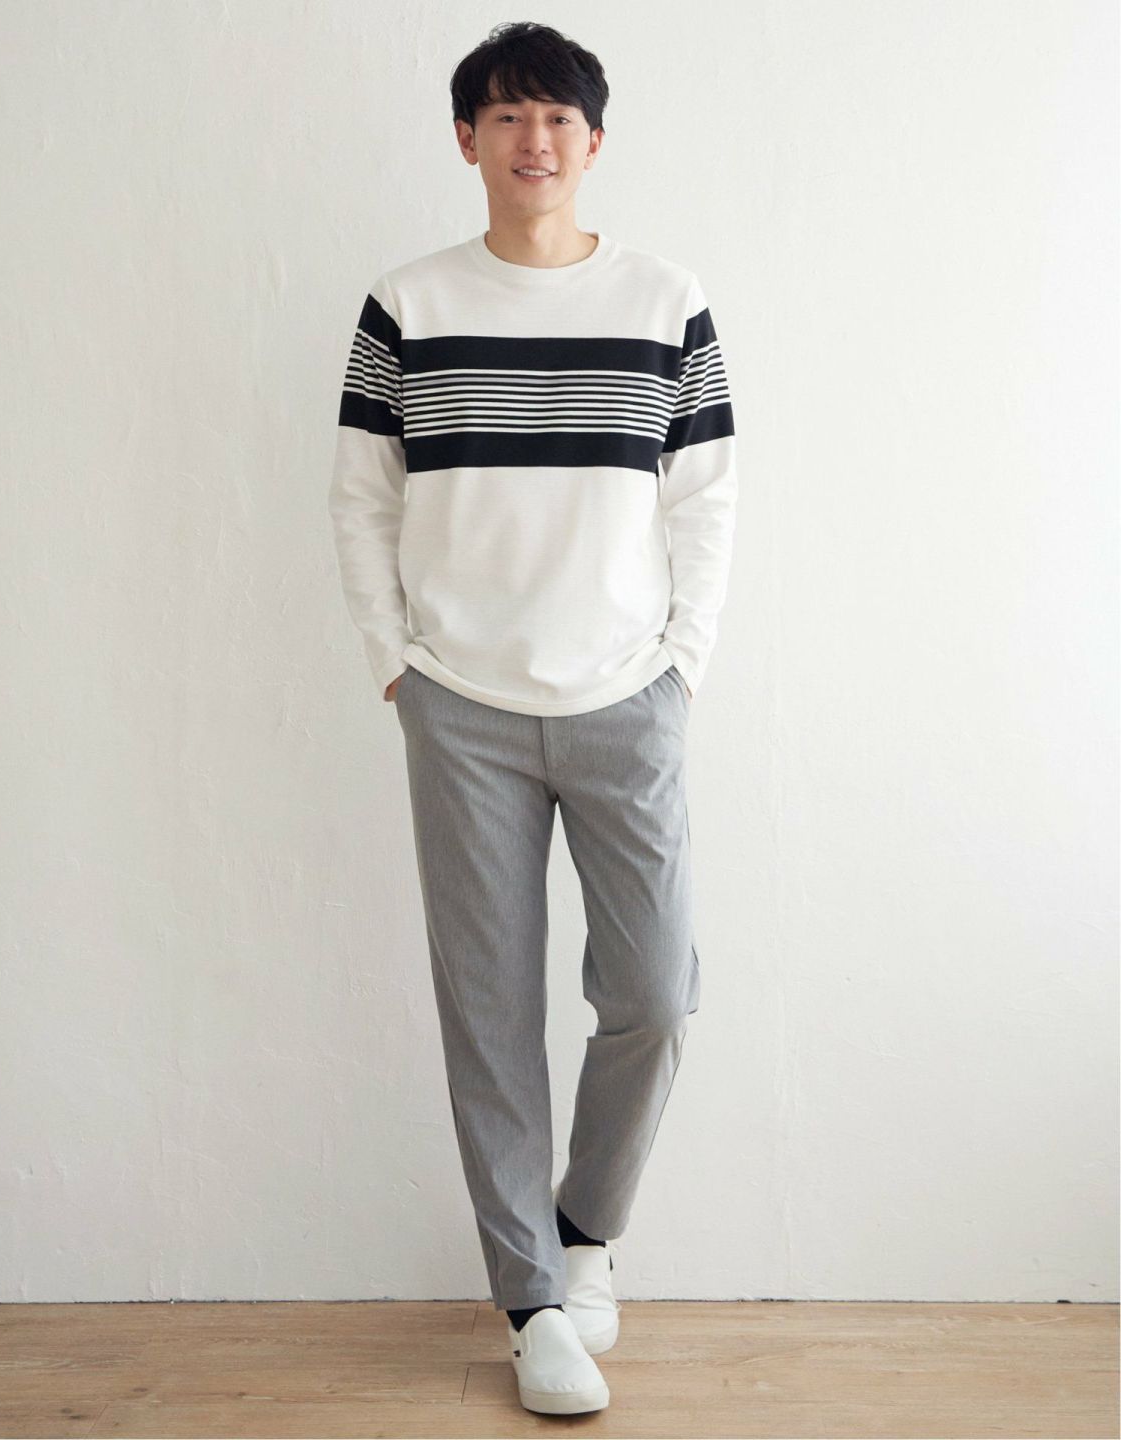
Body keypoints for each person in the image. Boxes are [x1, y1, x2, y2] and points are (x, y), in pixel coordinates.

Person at [328, 20, 738, 1416]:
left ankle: (583, 1234)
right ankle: (531, 1307)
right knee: (489, 1014)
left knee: (656, 993)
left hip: (629, 698)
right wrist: (397, 663)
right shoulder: (408, 304)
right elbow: (362, 492)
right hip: (462, 707)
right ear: (467, 139)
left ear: (594, 140)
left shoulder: (665, 301)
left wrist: (683, 666)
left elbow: (707, 499)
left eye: (558, 117)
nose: (534, 140)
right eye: (506, 116)